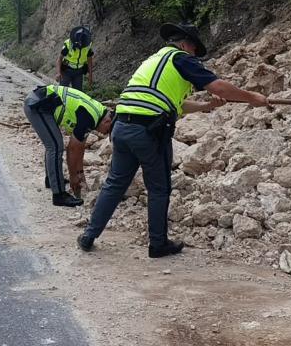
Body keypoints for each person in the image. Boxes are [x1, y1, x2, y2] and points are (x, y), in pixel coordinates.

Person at [76, 22, 269, 258]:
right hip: (148, 132)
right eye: (195, 51)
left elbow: (174, 104)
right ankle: (158, 244)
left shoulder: (154, 61)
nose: (195, 57)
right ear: (187, 44)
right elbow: (219, 86)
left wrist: (207, 105)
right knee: (159, 188)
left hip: (122, 127)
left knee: (115, 184)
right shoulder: (181, 58)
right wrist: (252, 97)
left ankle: (89, 235)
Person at [23, 84, 114, 207]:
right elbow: (71, 149)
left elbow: (80, 146)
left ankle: (51, 180)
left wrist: (80, 172)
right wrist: (73, 176)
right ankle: (59, 195)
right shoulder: (90, 116)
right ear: (107, 121)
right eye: (108, 130)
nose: (104, 134)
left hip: (42, 102)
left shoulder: (96, 114)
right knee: (55, 146)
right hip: (38, 105)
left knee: (54, 144)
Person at [57, 26, 94, 91]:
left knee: (77, 92)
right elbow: (59, 59)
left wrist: (90, 75)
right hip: (66, 70)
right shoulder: (68, 44)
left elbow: (89, 60)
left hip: (79, 72)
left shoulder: (87, 46)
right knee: (62, 91)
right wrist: (58, 72)